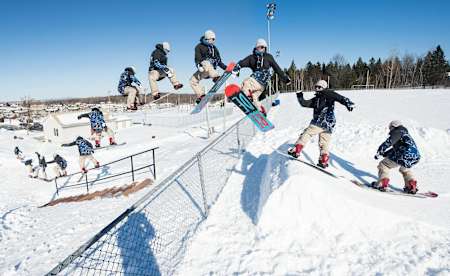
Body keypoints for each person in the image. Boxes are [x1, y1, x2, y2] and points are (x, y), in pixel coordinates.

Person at [288, 80, 355, 168]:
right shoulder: (316, 99)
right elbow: (304, 103)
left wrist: (348, 103)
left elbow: (339, 97)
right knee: (324, 142)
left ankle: (297, 149)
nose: (317, 89)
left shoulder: (328, 93)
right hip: (329, 123)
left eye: (319, 87)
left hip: (321, 120)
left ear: (324, 87)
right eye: (316, 87)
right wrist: (299, 95)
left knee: (307, 133)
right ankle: (324, 159)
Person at [232, 38, 291, 116]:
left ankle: (246, 96)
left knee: (246, 83)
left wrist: (285, 78)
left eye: (263, 47)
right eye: (260, 47)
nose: (261, 49)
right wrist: (237, 68)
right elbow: (242, 63)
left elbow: (277, 68)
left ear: (265, 48)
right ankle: (261, 111)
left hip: (260, 81)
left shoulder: (268, 57)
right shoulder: (251, 58)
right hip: (261, 85)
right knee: (254, 97)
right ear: (256, 47)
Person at [372, 120, 420, 194]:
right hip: (414, 156)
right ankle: (411, 185)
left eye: (390, 128)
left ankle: (382, 183)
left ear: (394, 126)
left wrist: (380, 150)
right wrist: (385, 153)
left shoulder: (398, 131)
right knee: (405, 169)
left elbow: (390, 141)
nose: (390, 130)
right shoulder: (405, 134)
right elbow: (396, 148)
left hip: (403, 154)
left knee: (384, 165)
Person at [190, 30, 227, 104]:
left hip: (211, 70)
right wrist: (198, 65)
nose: (214, 41)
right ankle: (201, 95)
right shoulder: (199, 46)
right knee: (192, 81)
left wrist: (226, 68)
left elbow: (219, 61)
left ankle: (216, 77)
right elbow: (197, 58)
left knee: (208, 64)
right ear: (207, 38)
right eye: (212, 39)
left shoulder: (214, 48)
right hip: (203, 69)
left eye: (214, 39)